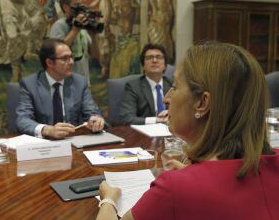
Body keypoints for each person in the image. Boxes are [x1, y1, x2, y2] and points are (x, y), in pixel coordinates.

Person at [96, 42, 279, 220]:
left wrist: (109, 199)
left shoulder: (175, 188)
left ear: (202, 103)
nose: (167, 99)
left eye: (175, 87)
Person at [16, 38, 104, 139]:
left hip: (74, 141)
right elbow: (23, 120)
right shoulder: (30, 84)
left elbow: (91, 112)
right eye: (65, 58)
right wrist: (48, 130)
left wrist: (95, 120)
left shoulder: (79, 82)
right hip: (44, 145)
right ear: (49, 62)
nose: (71, 62)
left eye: (71, 57)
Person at [119, 43, 172, 125]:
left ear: (165, 65)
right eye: (150, 57)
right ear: (143, 65)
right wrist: (156, 120)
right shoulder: (133, 87)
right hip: (145, 134)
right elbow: (126, 118)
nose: (154, 60)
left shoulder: (172, 85)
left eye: (158, 57)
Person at [50, 0, 93, 79]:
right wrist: (75, 30)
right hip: (66, 82)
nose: (81, 8)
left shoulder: (81, 26)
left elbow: (90, 50)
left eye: (81, 4)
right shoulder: (59, 26)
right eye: (77, 5)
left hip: (83, 80)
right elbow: (56, 51)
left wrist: (93, 29)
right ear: (65, 7)